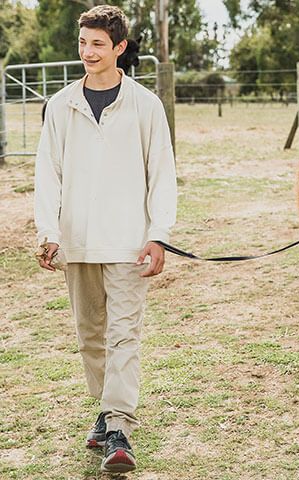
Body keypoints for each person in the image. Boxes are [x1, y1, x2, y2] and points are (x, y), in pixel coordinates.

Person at [34, 5, 176, 473]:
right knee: (90, 336)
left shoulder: (145, 105)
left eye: (98, 44)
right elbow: (47, 176)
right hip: (76, 242)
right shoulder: (59, 105)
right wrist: (48, 233)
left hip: (129, 244)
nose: (88, 52)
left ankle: (119, 427)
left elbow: (163, 176)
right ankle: (106, 410)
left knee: (123, 335)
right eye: (83, 43)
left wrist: (158, 236)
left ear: (119, 48)